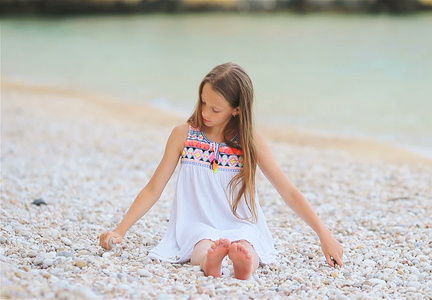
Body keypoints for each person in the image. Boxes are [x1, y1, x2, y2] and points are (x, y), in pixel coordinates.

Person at [99, 62, 343, 280]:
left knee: (249, 243)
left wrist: (324, 234)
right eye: (203, 103)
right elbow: (154, 188)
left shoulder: (250, 143)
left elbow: (288, 191)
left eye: (215, 109)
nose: (205, 113)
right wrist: (120, 229)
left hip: (240, 222)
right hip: (197, 222)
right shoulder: (183, 135)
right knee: (202, 243)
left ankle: (244, 267)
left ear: (236, 109)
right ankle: (211, 263)